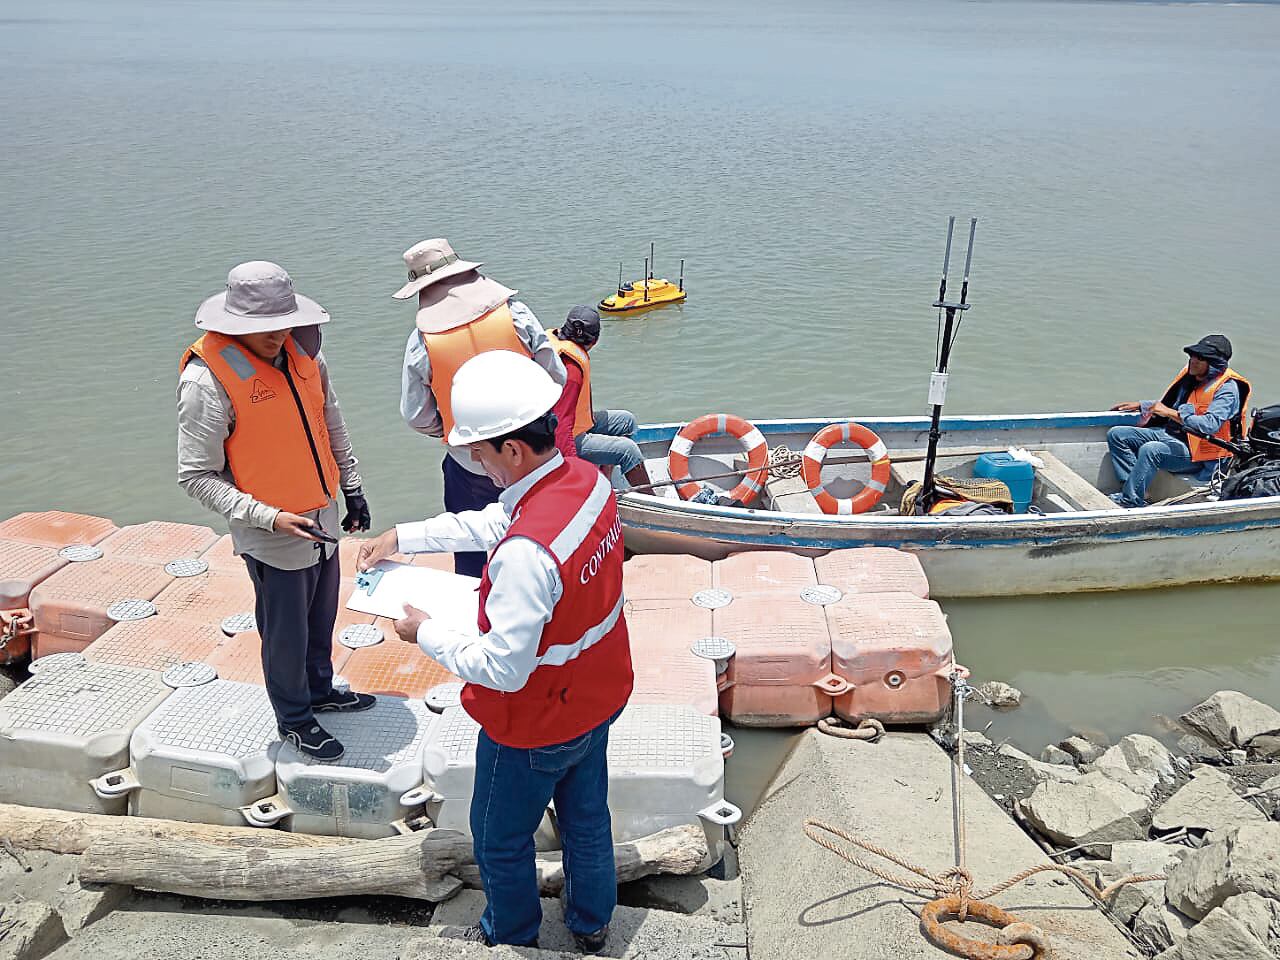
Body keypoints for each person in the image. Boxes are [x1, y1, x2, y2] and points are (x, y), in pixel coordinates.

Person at [358, 350, 633, 953]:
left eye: (479, 451)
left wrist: (423, 633)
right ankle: (591, 923)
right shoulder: (586, 481)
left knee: (499, 838)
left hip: (535, 719)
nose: (475, 462)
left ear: (513, 448)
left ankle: (510, 934)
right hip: (600, 692)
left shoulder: (524, 556)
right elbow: (494, 522)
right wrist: (404, 537)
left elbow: (505, 670)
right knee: (587, 819)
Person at [178, 261, 376, 761]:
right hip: (271, 530)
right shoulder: (207, 381)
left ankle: (320, 690)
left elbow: (331, 422)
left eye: (283, 322)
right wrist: (269, 517)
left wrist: (351, 488)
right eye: (262, 328)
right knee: (284, 630)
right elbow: (196, 476)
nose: (276, 335)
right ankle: (294, 718)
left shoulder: (304, 353)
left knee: (320, 616)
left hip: (322, 514)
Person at [395, 238, 565, 578]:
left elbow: (416, 416)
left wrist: (455, 429)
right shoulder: (515, 313)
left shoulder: (422, 342)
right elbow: (554, 377)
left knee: (471, 554)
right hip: (533, 454)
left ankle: (475, 615)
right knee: (542, 540)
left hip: (472, 461)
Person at [1107, 334, 1252, 508]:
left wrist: (1173, 414)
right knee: (1118, 434)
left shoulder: (1227, 389)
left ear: (1214, 363)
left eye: (1200, 357)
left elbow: (1210, 425)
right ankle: (1133, 489)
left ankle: (1130, 502)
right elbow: (1174, 405)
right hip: (1175, 435)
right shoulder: (1193, 378)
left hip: (1201, 453)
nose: (1193, 360)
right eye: (1192, 355)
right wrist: (1144, 405)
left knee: (1151, 450)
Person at [547, 305, 649, 488]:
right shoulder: (571, 371)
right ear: (594, 341)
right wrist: (572, 473)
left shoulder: (554, 342)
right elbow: (561, 426)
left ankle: (605, 477)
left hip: (578, 422)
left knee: (627, 421)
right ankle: (651, 503)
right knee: (629, 451)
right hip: (563, 435)